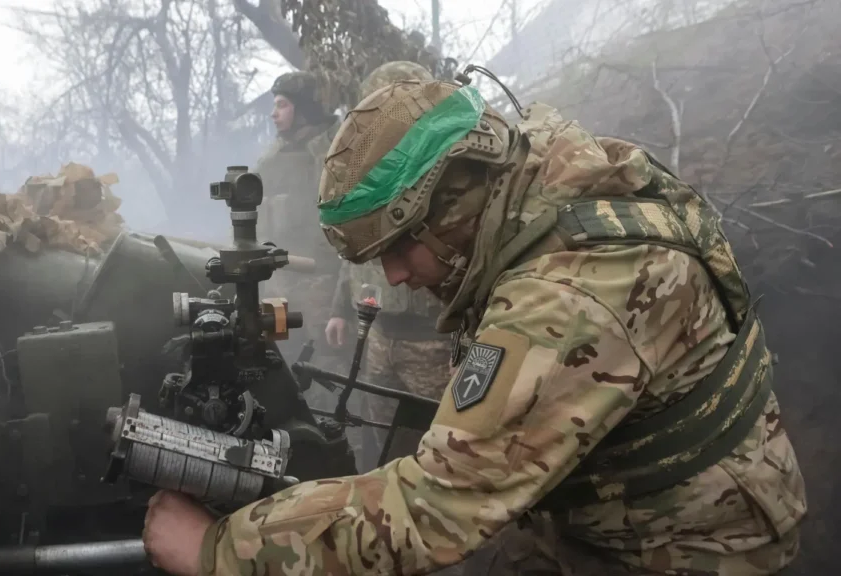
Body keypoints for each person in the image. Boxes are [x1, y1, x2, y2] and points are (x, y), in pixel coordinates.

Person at [143, 78, 807, 575]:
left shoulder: (570, 301)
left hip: (691, 546)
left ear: (455, 199)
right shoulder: (538, 176)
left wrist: (217, 549)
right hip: (612, 502)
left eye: (403, 246)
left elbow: (432, 510)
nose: (397, 276)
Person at [324, 61, 452, 474]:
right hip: (378, 332)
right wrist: (340, 310)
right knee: (381, 438)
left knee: (444, 445)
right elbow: (355, 249)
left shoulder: (450, 165)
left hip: (433, 341)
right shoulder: (365, 171)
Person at [254, 71, 341, 370]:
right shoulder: (271, 156)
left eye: (282, 105)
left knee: (326, 361)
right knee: (276, 353)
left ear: (304, 110)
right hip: (278, 279)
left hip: (321, 280)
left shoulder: (333, 152)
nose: (273, 114)